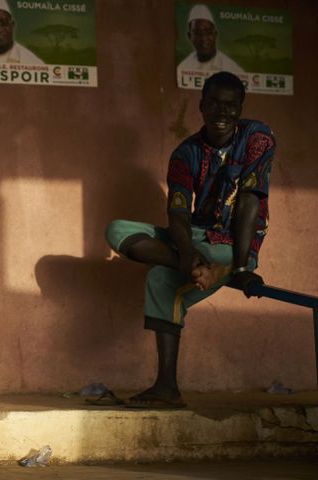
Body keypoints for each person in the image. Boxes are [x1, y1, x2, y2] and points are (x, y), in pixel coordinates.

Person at [105, 71, 275, 408]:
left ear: (240, 108)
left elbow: (249, 202)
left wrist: (241, 266)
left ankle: (166, 386)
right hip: (195, 239)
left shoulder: (258, 138)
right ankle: (198, 265)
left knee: (158, 279)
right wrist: (186, 252)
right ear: (201, 106)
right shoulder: (185, 154)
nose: (221, 113)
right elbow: (179, 213)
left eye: (230, 106)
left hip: (234, 243)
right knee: (117, 230)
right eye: (213, 104)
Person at [177, 4, 243, 73]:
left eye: (208, 32)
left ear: (215, 34)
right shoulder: (183, 67)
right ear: (189, 36)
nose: (203, 38)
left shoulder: (232, 69)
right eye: (197, 33)